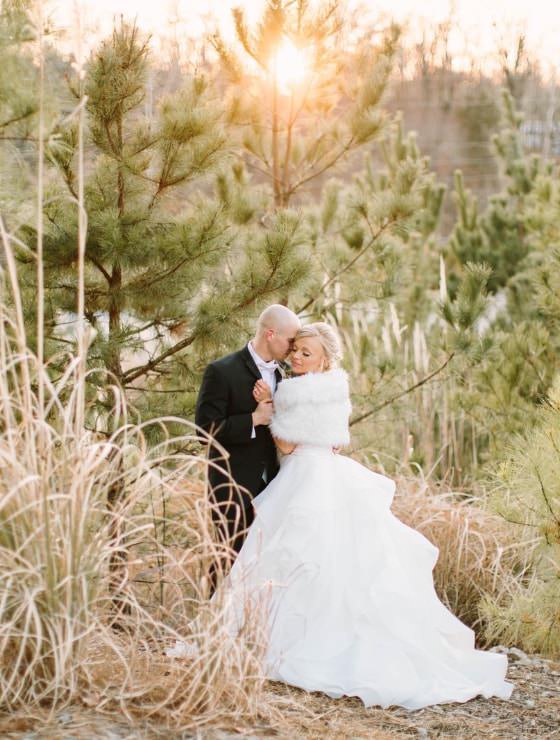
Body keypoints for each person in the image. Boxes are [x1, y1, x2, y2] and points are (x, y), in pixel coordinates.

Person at [222, 322, 514, 710]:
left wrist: (271, 407)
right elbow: (339, 442)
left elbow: (288, 446)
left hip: (303, 477)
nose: (296, 357)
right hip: (331, 471)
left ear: (324, 359)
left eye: (306, 353)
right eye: (296, 351)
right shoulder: (338, 389)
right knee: (343, 560)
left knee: (296, 553)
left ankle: (288, 641)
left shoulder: (290, 390)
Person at [195, 304, 301, 586]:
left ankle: (256, 627)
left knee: (265, 565)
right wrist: (253, 419)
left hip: (275, 487)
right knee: (228, 561)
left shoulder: (284, 376)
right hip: (232, 485)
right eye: (290, 340)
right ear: (270, 334)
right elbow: (204, 431)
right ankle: (217, 625)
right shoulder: (222, 371)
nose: (293, 348)